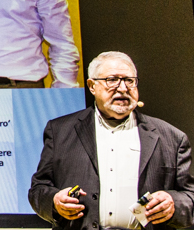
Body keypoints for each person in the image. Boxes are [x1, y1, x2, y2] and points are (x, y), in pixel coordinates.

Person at [29, 51, 194, 229]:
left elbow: (190, 196)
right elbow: (38, 189)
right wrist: (55, 201)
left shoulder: (171, 138)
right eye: (112, 80)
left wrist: (173, 203)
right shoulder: (60, 131)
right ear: (92, 86)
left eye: (129, 80)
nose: (123, 88)